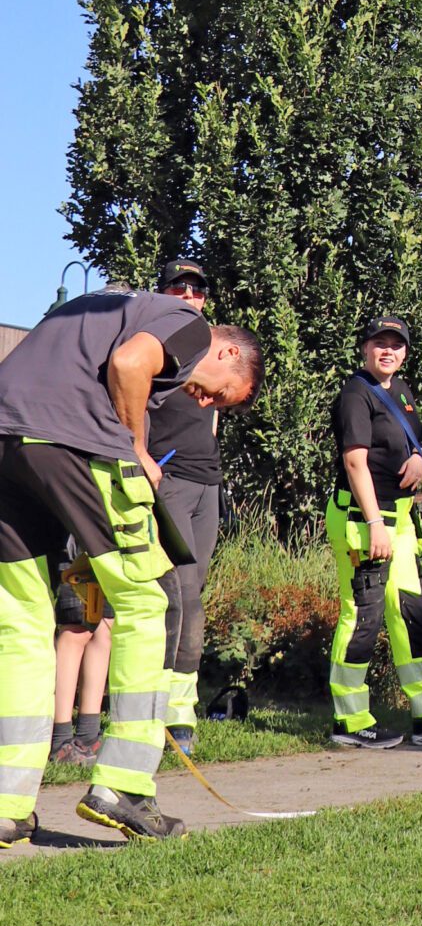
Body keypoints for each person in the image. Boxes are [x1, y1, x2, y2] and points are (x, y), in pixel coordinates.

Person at [0, 288, 264, 846]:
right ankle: (123, 786)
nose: (206, 403)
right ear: (227, 353)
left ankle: (7, 802)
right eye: (223, 395)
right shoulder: (189, 324)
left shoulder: (108, 304)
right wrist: (135, 448)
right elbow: (128, 363)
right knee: (154, 601)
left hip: (6, 439)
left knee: (21, 622)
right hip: (72, 440)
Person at [327, 317, 422, 750]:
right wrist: (374, 523)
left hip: (401, 520)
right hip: (363, 520)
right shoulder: (356, 393)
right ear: (365, 348)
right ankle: (349, 719)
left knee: (410, 613)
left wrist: (420, 454)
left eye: (396, 345)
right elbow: (355, 462)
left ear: (405, 353)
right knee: (363, 615)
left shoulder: (400, 391)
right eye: (380, 343)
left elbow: (418, 439)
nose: (388, 351)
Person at [149, 256, 224, 750]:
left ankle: (180, 708)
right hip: (168, 478)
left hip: (206, 481)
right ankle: (157, 709)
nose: (190, 297)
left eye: (197, 290)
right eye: (180, 288)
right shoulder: (149, 344)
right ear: (162, 293)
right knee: (175, 593)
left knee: (193, 591)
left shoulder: (211, 346)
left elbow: (214, 413)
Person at [49, 548, 111, 763]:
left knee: (103, 628)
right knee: (77, 628)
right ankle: (60, 739)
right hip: (73, 545)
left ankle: (88, 736)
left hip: (104, 547)